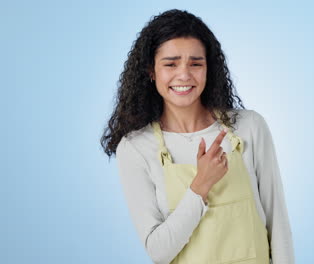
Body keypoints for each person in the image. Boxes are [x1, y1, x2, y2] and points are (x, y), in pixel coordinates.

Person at [100, 9, 294, 264]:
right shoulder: (136, 147)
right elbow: (159, 251)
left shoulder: (249, 127)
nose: (184, 75)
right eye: (170, 64)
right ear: (151, 71)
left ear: (208, 69)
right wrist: (200, 184)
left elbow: (277, 223)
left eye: (195, 63)